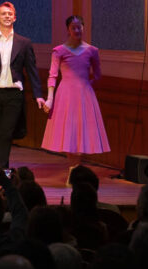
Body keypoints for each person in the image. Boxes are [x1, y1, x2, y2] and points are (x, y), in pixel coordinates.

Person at [0, 2, 46, 168]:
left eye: (10, 14)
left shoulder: (24, 42)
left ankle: (1, 168)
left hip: (14, 94)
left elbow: (31, 69)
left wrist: (38, 94)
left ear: (15, 17)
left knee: (6, 133)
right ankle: (2, 168)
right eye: (3, 14)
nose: (7, 16)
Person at [41, 15, 110, 167]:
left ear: (83, 28)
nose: (77, 30)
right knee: (69, 134)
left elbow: (98, 75)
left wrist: (86, 85)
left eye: (79, 27)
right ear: (68, 30)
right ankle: (73, 169)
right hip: (66, 95)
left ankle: (76, 169)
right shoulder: (59, 51)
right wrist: (50, 99)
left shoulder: (92, 51)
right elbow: (52, 76)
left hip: (84, 95)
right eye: (74, 27)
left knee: (82, 133)